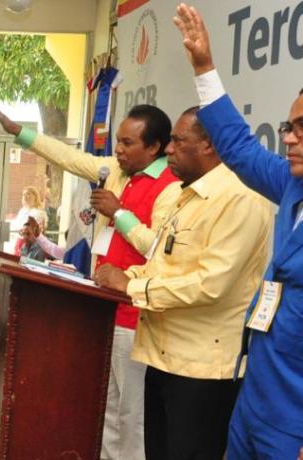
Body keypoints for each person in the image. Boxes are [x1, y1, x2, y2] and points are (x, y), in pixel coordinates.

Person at [0, 99, 180, 460]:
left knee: (132, 414)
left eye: (128, 144)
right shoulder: (118, 171)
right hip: (103, 306)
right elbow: (70, 158)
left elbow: (158, 247)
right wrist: (22, 133)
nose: (118, 150)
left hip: (137, 316)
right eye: (118, 142)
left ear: (154, 147)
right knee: (105, 406)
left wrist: (118, 213)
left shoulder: (170, 188)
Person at [93, 104, 273, 458]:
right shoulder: (178, 196)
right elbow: (163, 262)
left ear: (210, 144)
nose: (169, 149)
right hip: (162, 357)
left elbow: (210, 284)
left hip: (203, 370)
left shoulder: (241, 197)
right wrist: (126, 275)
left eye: (178, 140)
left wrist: (130, 286)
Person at [174, 4, 303, 457]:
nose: (288, 138)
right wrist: (204, 67)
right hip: (254, 399)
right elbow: (239, 147)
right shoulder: (292, 183)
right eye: (290, 127)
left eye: (302, 129)